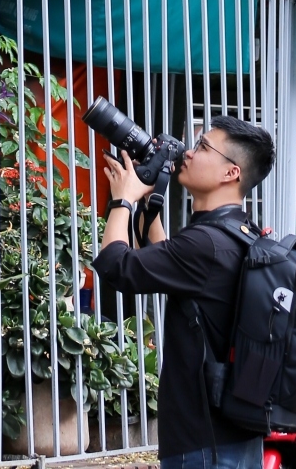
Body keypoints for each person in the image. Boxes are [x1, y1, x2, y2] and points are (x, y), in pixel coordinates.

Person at [93, 115, 276, 469]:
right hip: (231, 438)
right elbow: (172, 268)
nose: (189, 153)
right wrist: (149, 202)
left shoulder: (206, 245)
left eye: (203, 146)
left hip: (203, 446)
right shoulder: (240, 233)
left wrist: (123, 201)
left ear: (230, 173)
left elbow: (116, 266)